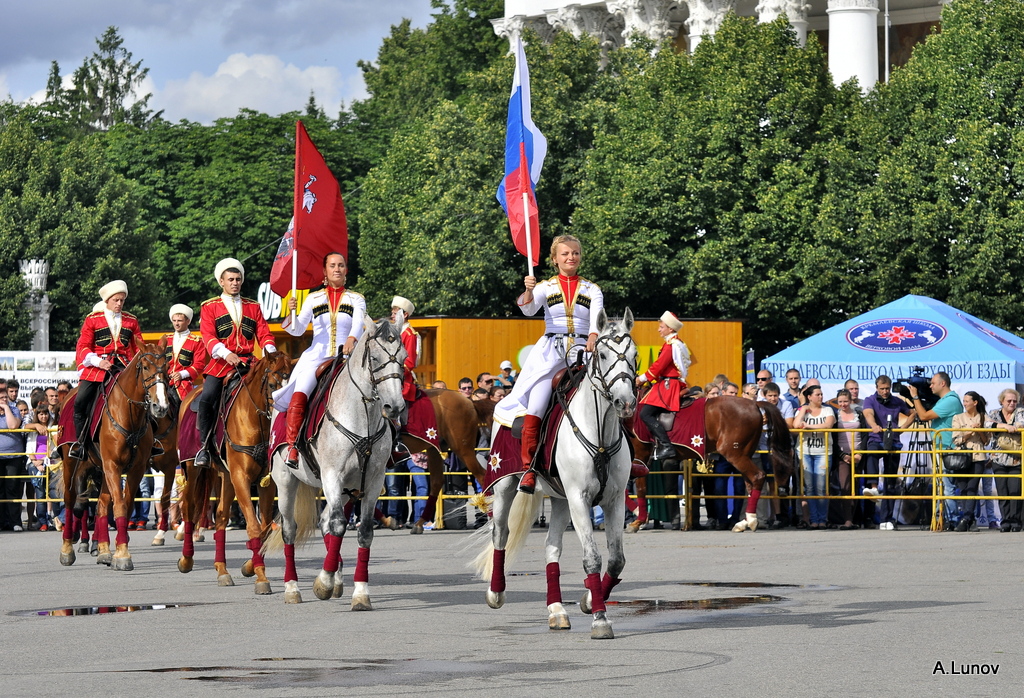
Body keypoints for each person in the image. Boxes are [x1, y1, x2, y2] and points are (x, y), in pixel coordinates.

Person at [492, 234, 603, 495]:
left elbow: (598, 316)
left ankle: (627, 459)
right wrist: (529, 290)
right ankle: (529, 468)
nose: (571, 257)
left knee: (611, 396)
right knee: (537, 404)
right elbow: (528, 310)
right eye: (565, 254)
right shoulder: (545, 287)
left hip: (584, 353)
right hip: (550, 355)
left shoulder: (592, 289)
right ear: (554, 259)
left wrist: (594, 334)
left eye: (575, 253)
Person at [273, 253, 366, 468]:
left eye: (341, 265)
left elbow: (358, 323)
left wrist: (352, 338)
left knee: (375, 389)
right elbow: (296, 330)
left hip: (348, 356)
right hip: (316, 358)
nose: (337, 269)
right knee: (300, 392)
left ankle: (388, 446)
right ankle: (293, 446)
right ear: (324, 271)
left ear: (346, 270)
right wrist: (292, 311)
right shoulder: (313, 299)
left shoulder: (356, 298)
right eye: (332, 266)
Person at [195, 259, 277, 468]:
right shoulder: (209, 307)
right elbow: (208, 336)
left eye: (238, 279)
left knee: (275, 391)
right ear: (221, 282)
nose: (235, 283)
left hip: (249, 362)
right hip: (221, 364)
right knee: (207, 397)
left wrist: (272, 355)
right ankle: (204, 447)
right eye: (230, 279)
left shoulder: (254, 306)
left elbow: (264, 335)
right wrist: (225, 353)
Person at [70, 280, 143, 461]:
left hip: (124, 367)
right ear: (107, 300)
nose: (119, 304)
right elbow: (83, 347)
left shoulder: (131, 321)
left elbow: (139, 346)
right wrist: (97, 361)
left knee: (146, 397)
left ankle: (151, 441)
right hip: (98, 368)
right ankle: (81, 443)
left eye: (122, 300)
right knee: (80, 402)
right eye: (116, 300)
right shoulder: (92, 319)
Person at [907, 372, 963, 529]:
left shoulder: (950, 401)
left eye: (932, 383)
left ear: (942, 384)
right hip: (941, 448)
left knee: (947, 486)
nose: (930, 386)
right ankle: (942, 518)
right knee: (941, 485)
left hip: (947, 449)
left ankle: (951, 520)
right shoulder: (943, 400)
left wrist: (915, 397)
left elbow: (924, 416)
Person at [635, 311, 690, 463]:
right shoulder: (676, 343)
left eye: (661, 327)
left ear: (670, 329)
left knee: (645, 414)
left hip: (668, 385)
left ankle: (667, 446)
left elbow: (658, 367)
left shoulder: (670, 345)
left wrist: (640, 379)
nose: (659, 330)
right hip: (667, 382)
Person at [861, 375, 914, 530]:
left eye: (887, 388)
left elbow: (913, 413)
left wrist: (903, 428)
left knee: (891, 480)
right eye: (881, 389)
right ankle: (873, 486)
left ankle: (887, 519)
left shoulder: (897, 401)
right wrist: (873, 425)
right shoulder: (869, 399)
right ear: (876, 388)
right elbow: (868, 414)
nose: (884, 391)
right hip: (876, 438)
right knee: (871, 454)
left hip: (893, 442)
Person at [793, 384, 835, 529]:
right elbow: (795, 424)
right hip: (804, 451)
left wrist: (808, 426)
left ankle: (822, 519)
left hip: (823, 452)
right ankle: (813, 519)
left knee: (822, 487)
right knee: (809, 488)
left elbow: (828, 425)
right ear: (809, 397)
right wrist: (803, 409)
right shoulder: (803, 410)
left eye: (821, 394)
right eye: (817, 394)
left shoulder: (828, 409)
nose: (821, 397)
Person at [950, 392, 992, 532]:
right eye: (964, 401)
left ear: (975, 403)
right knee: (963, 488)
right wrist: (968, 432)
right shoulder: (958, 417)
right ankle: (971, 519)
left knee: (972, 488)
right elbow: (956, 439)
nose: (965, 403)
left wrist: (979, 430)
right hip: (962, 456)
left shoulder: (984, 417)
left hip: (978, 457)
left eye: (967, 401)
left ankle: (965, 519)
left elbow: (986, 441)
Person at [987, 389, 1023, 532]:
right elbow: (988, 425)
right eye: (1009, 401)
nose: (1012, 403)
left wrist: (1010, 426)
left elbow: (1021, 423)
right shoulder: (994, 413)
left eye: (1014, 400)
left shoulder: (1020, 412)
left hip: (1016, 459)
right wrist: (1005, 426)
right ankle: (1005, 521)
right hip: (998, 459)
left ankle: (1015, 521)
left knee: (1015, 491)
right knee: (1002, 491)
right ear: (1002, 401)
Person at [832, 389, 868, 530]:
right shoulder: (836, 416)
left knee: (857, 486)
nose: (843, 404)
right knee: (845, 486)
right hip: (843, 455)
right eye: (840, 401)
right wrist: (842, 455)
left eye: (845, 401)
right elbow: (832, 439)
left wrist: (860, 453)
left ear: (850, 400)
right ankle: (847, 519)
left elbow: (865, 435)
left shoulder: (859, 414)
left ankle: (856, 518)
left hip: (858, 454)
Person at [162, 304, 207, 401]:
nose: (176, 324)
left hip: (183, 385)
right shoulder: (165, 339)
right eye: (174, 321)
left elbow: (199, 365)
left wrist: (181, 374)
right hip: (164, 382)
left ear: (188, 321)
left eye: (180, 321)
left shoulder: (197, 341)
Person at [1, 380, 26, 531]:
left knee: (12, 488)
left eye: (5, 398)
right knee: (0, 489)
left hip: (14, 456)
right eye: (1, 398)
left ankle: (15, 521)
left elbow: (12, 425)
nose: (4, 399)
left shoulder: (14, 410)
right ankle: (1, 522)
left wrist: (6, 408)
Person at [26, 406, 54, 530]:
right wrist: (35, 462)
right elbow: (29, 449)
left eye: (45, 414)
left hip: (50, 461)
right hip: (34, 463)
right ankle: (42, 521)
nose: (43, 417)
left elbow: (54, 449)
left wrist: (43, 461)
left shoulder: (53, 427)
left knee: (54, 491)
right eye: (41, 414)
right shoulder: (33, 429)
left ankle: (58, 519)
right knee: (40, 492)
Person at [391, 296, 420, 408]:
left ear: (405, 314)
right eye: (392, 313)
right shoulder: (393, 332)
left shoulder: (409, 335)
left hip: (401, 377)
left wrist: (393, 370)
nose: (392, 316)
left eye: (395, 314)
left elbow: (409, 362)